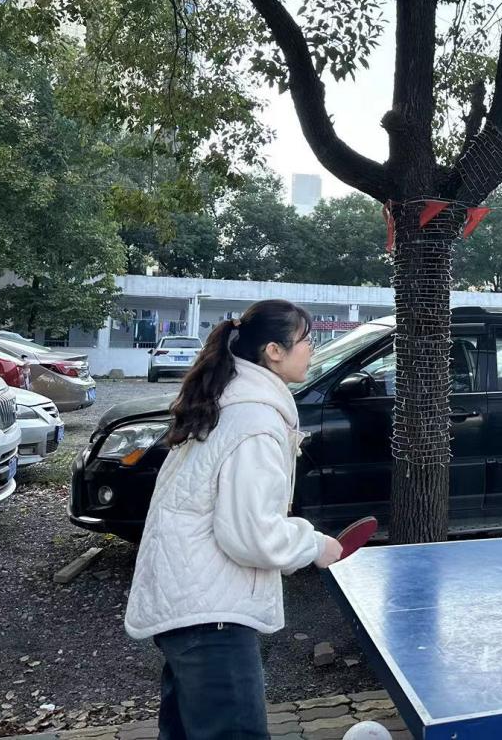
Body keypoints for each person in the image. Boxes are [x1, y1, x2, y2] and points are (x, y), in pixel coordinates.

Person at [124, 300, 344, 740]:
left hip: (190, 607)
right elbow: (252, 534)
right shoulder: (255, 422)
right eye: (305, 340)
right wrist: (316, 545)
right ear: (274, 351)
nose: (313, 350)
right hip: (211, 618)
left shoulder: (229, 402)